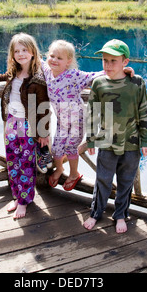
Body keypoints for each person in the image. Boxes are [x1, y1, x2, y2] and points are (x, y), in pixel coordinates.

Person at [0, 33, 50, 219]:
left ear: (33, 52)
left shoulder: (38, 78)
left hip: (27, 126)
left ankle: (24, 201)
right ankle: (17, 196)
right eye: (17, 51)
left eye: (25, 50)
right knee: (12, 161)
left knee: (26, 165)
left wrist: (43, 132)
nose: (21, 54)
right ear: (12, 54)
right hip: (11, 123)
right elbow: (4, 75)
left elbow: (43, 107)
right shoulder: (15, 72)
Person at [43, 40, 135, 192]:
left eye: (60, 58)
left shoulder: (73, 75)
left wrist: (122, 70)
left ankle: (74, 174)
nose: (54, 60)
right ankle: (59, 170)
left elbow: (96, 75)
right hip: (61, 121)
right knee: (57, 148)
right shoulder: (47, 71)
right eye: (52, 56)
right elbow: (34, 60)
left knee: (72, 148)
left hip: (76, 121)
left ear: (68, 62)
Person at [81, 39, 147, 233]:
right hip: (106, 141)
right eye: (105, 60)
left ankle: (121, 214)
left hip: (132, 142)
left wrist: (145, 140)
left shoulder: (136, 83)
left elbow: (144, 111)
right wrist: (91, 139)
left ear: (125, 62)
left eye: (113, 61)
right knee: (102, 180)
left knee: (126, 181)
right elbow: (92, 113)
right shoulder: (99, 83)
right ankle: (96, 213)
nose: (108, 65)